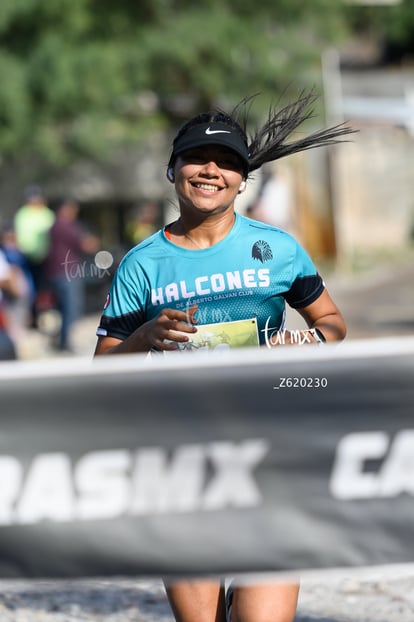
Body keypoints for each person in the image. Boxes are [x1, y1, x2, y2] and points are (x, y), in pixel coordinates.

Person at [94, 90, 354, 622]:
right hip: (180, 459)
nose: (212, 170)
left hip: (273, 447)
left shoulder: (278, 248)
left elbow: (332, 324)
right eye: (197, 158)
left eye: (229, 163)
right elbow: (102, 370)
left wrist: (304, 343)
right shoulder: (142, 264)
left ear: (242, 179)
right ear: (172, 170)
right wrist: (144, 337)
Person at [44, 198, 100, 352]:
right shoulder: (65, 226)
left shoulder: (55, 225)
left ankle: (61, 339)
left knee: (64, 309)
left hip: (57, 273)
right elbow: (87, 244)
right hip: (66, 274)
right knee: (71, 308)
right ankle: (64, 342)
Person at [13, 185, 55, 326]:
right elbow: (19, 238)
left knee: (45, 291)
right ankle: (31, 318)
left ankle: (43, 318)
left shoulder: (47, 214)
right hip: (26, 259)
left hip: (46, 259)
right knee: (29, 290)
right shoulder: (22, 214)